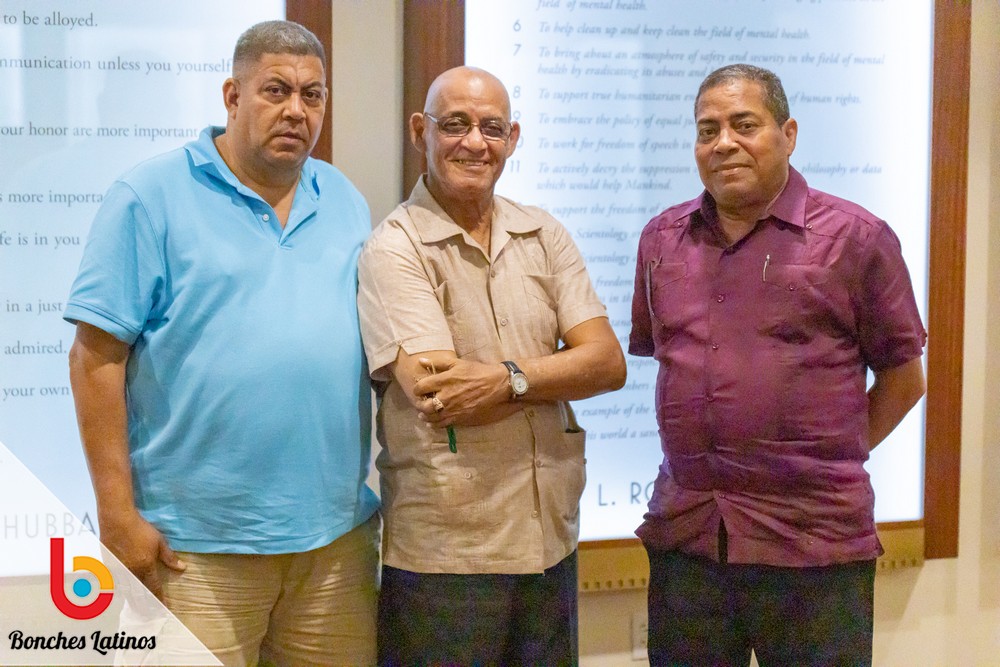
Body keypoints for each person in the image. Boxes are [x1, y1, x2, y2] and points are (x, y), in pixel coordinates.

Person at [65, 20, 379, 666]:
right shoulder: (149, 197)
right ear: (233, 96)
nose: (296, 110)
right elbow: (95, 359)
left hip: (333, 549)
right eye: (276, 90)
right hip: (193, 551)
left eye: (313, 95)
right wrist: (116, 516)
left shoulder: (343, 199)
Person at [629, 63, 927, 666]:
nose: (724, 143)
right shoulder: (662, 239)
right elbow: (666, 362)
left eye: (744, 125)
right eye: (707, 130)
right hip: (690, 539)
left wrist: (821, 457)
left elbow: (904, 380)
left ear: (788, 134)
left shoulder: (856, 239)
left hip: (812, 544)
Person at [357, 65, 627, 665]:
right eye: (455, 124)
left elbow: (607, 362)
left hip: (551, 545)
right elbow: (441, 395)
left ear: (513, 138)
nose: (475, 142)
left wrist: (506, 378)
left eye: (492, 127)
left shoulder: (544, 233)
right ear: (420, 131)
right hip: (446, 562)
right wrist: (558, 371)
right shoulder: (394, 247)